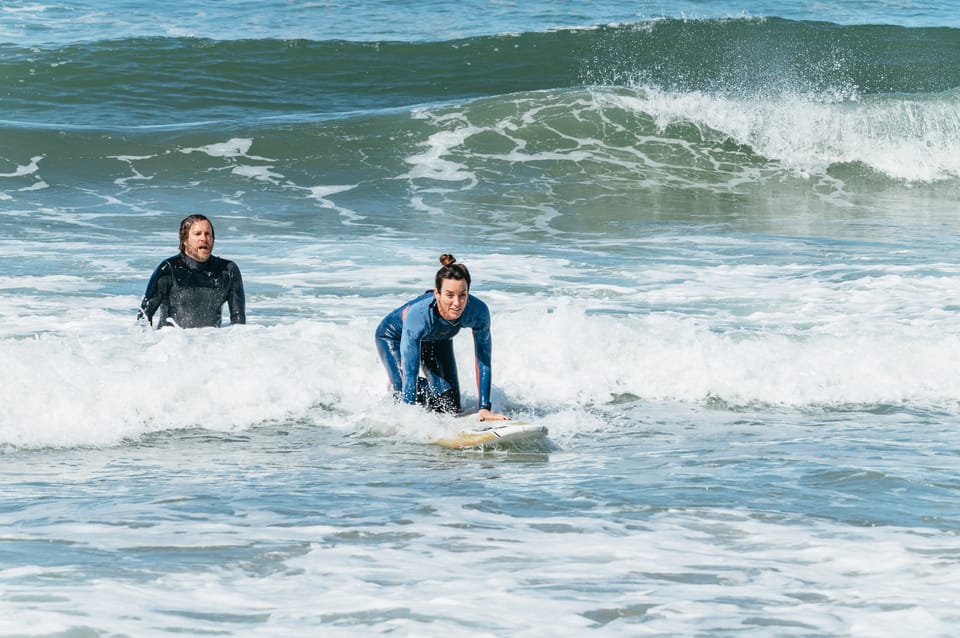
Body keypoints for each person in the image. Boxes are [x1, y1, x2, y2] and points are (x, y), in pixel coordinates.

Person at [375, 254, 509, 422]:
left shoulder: (478, 312)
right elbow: (410, 370)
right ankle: (394, 383)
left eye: (463, 294)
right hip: (394, 337)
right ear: (437, 293)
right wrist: (407, 417)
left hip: (438, 339)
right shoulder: (419, 314)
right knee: (407, 392)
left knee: (450, 407)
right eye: (450, 295)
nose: (457, 303)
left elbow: (483, 360)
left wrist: (484, 409)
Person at [137, 214, 246, 329]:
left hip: (212, 343)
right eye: (198, 234)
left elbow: (239, 322)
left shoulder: (227, 270)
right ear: (184, 240)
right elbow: (144, 317)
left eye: (208, 234)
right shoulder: (169, 269)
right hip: (171, 343)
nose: (204, 238)